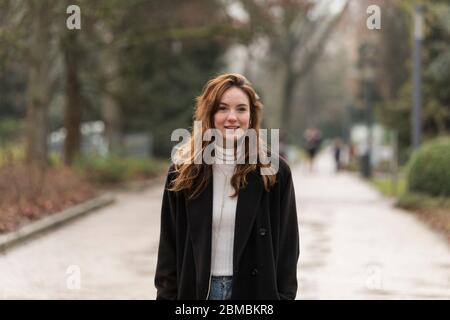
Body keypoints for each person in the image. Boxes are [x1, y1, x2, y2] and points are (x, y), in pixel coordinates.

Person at [155, 73, 299, 300]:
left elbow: (288, 247)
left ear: (251, 117)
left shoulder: (273, 172)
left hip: (255, 296)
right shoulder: (183, 172)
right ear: (209, 115)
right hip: (197, 293)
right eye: (222, 108)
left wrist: (283, 298)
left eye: (241, 109)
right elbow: (169, 247)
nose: (232, 117)